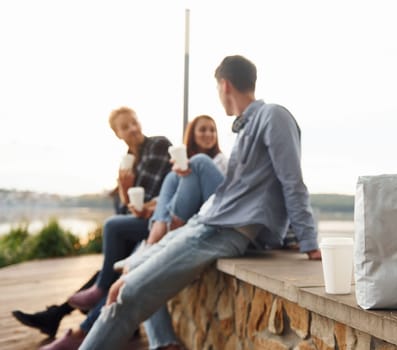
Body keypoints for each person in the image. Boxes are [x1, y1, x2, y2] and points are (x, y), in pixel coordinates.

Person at [78, 54, 321, 350]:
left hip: (219, 232)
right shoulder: (246, 128)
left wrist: (309, 242)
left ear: (224, 85)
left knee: (124, 296)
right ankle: (144, 252)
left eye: (218, 88)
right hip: (204, 224)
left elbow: (292, 181)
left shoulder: (272, 115)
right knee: (124, 279)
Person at [35, 115, 229, 350]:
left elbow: (207, 200)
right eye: (203, 130)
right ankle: (83, 318)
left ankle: (84, 324)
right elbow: (129, 208)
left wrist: (159, 215)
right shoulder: (141, 163)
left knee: (132, 256)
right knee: (135, 263)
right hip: (163, 222)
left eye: (212, 130)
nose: (208, 134)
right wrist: (129, 194)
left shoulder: (189, 157)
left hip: (183, 224)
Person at [11, 106, 172, 338]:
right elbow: (125, 208)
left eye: (134, 122)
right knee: (113, 269)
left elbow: (144, 204)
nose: (133, 129)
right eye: (126, 127)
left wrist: (128, 191)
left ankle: (74, 326)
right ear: (118, 134)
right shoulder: (127, 163)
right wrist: (124, 191)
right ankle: (58, 314)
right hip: (137, 227)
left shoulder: (157, 145)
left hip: (156, 223)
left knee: (113, 262)